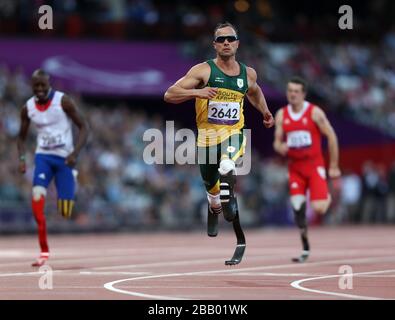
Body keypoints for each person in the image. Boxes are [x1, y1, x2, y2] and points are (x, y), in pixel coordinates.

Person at [164, 22, 274, 264]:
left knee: (227, 164)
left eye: (230, 39)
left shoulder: (248, 73)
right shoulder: (203, 71)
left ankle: (229, 197)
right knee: (211, 188)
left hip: (234, 134)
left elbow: (253, 91)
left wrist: (265, 111)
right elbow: (169, 94)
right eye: (221, 39)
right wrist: (197, 93)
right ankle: (215, 202)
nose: (226, 43)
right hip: (207, 139)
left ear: (237, 43)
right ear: (214, 44)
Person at [17, 69, 89, 267]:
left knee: (65, 211)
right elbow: (21, 137)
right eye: (36, 86)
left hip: (65, 159)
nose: (40, 89)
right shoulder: (28, 108)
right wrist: (22, 158)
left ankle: (70, 178)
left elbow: (84, 126)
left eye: (43, 85)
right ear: (32, 86)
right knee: (37, 203)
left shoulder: (63, 101)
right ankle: (44, 251)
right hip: (44, 158)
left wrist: (75, 153)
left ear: (49, 85)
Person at [273, 77, 341, 262]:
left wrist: (333, 166)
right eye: (290, 91)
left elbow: (332, 136)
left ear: (303, 94)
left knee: (319, 207)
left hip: (314, 166)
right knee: (297, 208)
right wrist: (281, 147)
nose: (292, 94)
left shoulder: (314, 113)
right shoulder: (282, 115)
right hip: (295, 168)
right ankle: (305, 247)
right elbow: (277, 142)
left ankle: (326, 196)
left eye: (296, 91)